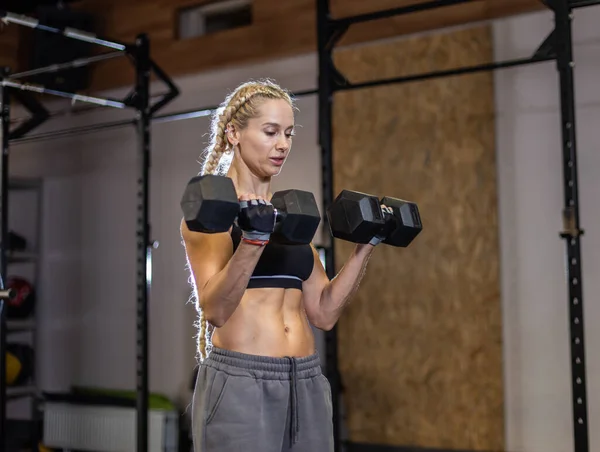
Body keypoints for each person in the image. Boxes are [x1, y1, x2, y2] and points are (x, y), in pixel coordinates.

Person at [181, 79, 380, 452]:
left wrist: (365, 247)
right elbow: (216, 310)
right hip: (243, 380)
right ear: (234, 133)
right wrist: (252, 241)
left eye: (288, 133)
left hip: (305, 379)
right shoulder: (214, 213)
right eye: (270, 132)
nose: (283, 144)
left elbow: (323, 311)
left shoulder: (290, 214)